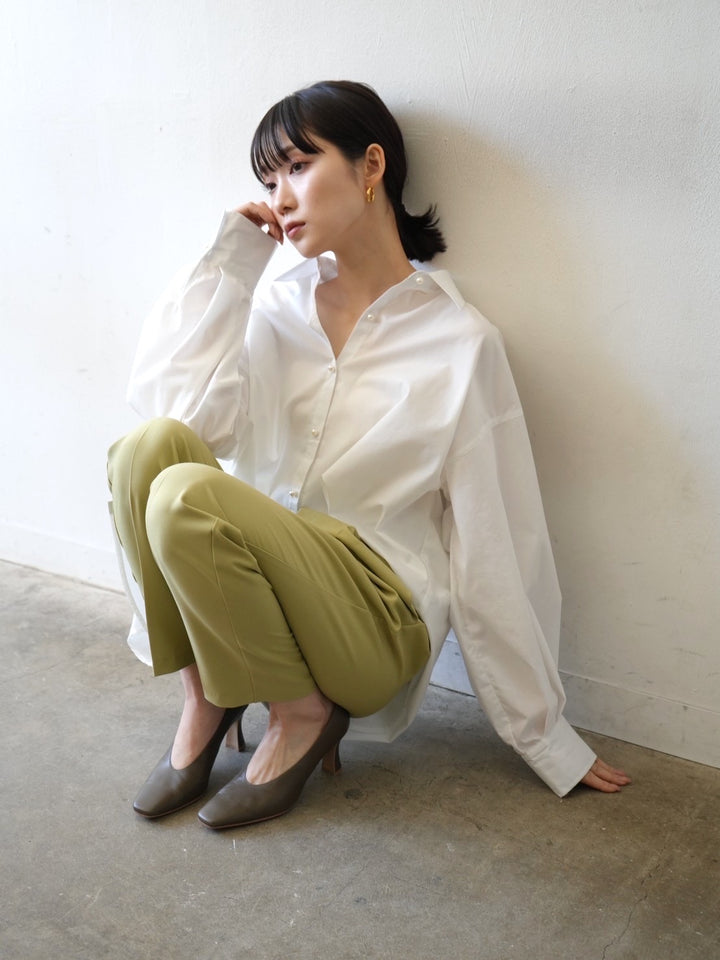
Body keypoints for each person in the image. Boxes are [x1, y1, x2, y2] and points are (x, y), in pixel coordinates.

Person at [107, 80, 630, 830]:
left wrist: (542, 733)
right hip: (260, 599)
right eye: (268, 181)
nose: (281, 197)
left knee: (186, 493)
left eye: (298, 167)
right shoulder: (273, 307)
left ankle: (304, 714)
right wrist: (231, 267)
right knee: (145, 452)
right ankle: (207, 697)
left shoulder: (459, 342)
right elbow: (176, 413)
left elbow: (495, 541)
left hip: (374, 621)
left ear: (371, 166)